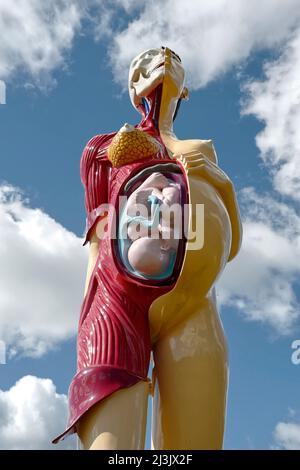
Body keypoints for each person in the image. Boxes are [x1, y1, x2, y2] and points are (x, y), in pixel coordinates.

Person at [53, 47, 242, 450]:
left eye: (172, 57)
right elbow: (98, 231)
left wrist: (220, 184)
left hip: (196, 304)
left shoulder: (203, 152)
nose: (164, 58)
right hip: (118, 298)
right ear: (133, 85)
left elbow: (233, 242)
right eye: (147, 60)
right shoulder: (105, 148)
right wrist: (90, 320)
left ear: (186, 91)